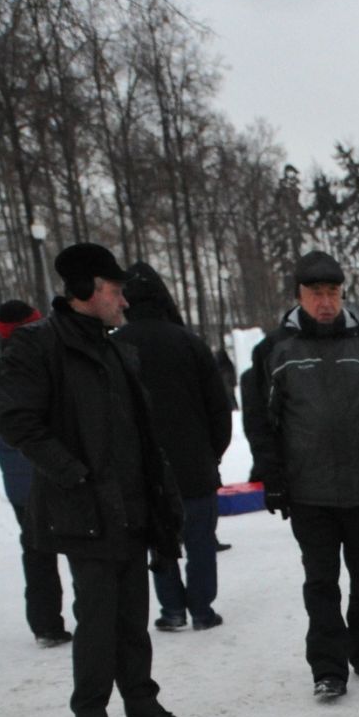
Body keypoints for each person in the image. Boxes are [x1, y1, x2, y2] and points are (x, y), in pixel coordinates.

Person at [0, 242, 196, 717]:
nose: (124, 301)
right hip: (82, 505)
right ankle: (91, 714)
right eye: (115, 291)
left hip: (130, 502)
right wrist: (74, 473)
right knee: (99, 615)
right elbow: (17, 420)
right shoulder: (37, 345)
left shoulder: (115, 346)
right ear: (86, 291)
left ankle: (142, 705)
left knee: (133, 611)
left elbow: (138, 430)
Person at [242, 249, 359, 701]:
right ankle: (328, 667)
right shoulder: (274, 349)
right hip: (309, 490)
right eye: (316, 293)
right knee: (321, 582)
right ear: (299, 296)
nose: (325, 302)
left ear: (343, 294)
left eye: (332, 292)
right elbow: (260, 421)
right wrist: (270, 475)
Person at [115, 262, 232, 632]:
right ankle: (201, 609)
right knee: (200, 541)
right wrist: (212, 452)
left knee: (160, 541)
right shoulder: (190, 343)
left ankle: (171, 609)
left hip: (144, 468)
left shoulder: (115, 345)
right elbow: (219, 408)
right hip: (194, 461)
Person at [0, 299, 69, 645]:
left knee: (36, 550)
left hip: (17, 480)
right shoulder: (39, 359)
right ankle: (94, 617)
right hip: (52, 470)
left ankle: (45, 625)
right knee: (81, 542)